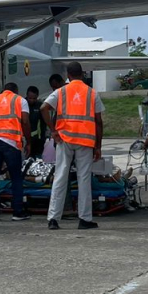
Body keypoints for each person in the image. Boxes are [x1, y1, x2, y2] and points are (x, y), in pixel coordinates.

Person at [41, 62, 103, 230]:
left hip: (64, 139)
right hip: (85, 141)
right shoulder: (92, 93)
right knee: (84, 179)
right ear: (82, 74)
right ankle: (84, 219)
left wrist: (53, 131)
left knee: (61, 176)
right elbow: (98, 121)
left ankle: (53, 219)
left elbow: (43, 108)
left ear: (68, 75)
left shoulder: (60, 92)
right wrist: (98, 146)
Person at [0, 82, 33, 221]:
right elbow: (25, 122)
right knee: (16, 177)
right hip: (11, 143)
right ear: (16, 91)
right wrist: (28, 142)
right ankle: (17, 212)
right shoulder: (20, 100)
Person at [26, 85, 48, 155]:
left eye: (34, 98)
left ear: (37, 96)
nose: (32, 100)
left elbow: (43, 123)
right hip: (24, 138)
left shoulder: (40, 105)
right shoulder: (22, 104)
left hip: (37, 139)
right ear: (27, 95)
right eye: (30, 98)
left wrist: (43, 138)